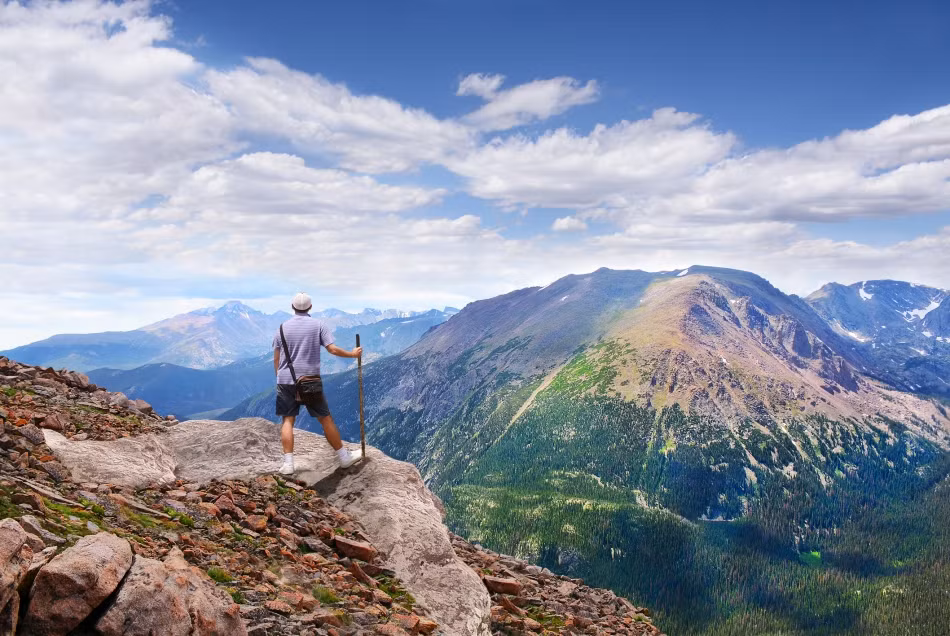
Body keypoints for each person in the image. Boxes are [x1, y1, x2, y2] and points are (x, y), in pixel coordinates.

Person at [273, 292, 362, 474]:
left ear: (292, 307)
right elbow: (332, 349)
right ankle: (344, 457)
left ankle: (288, 465)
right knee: (325, 418)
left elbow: (276, 358)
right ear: (310, 307)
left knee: (287, 421)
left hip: (285, 380)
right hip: (309, 380)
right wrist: (353, 354)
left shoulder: (282, 328)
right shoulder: (319, 326)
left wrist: (281, 379)